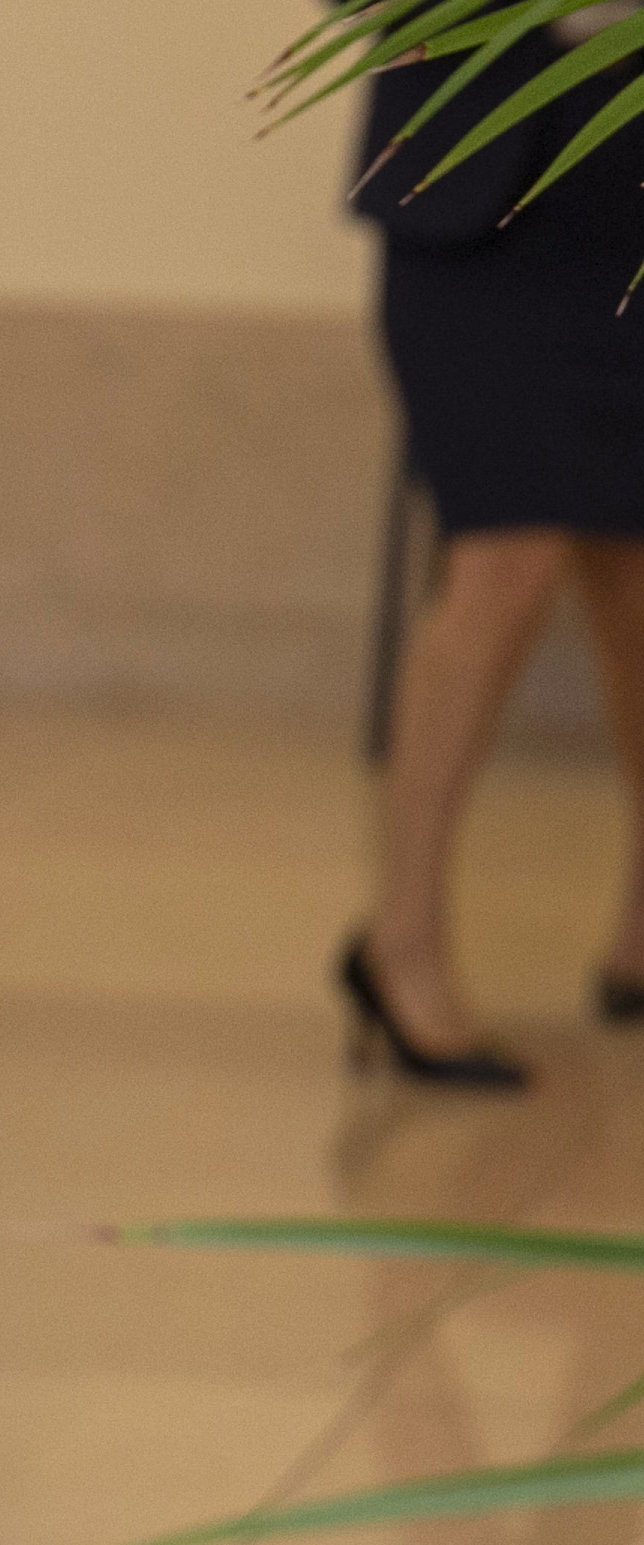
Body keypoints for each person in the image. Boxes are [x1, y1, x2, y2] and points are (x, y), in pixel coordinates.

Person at [341, 20, 644, 1086]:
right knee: (505, 557)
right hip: (480, 192)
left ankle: (639, 934)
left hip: (630, 184)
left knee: (632, 574)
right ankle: (402, 943)